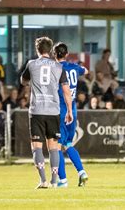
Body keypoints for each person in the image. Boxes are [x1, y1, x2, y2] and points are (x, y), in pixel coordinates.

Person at [21, 37, 73, 189]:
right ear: (50, 50)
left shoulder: (31, 64)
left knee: (37, 146)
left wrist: (30, 81)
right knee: (54, 146)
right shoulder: (58, 67)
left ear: (37, 50)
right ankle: (54, 181)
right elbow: (66, 91)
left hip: (37, 110)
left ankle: (43, 180)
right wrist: (69, 110)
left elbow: (23, 81)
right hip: (53, 110)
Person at [53, 42, 89, 188]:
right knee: (68, 144)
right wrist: (78, 67)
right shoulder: (74, 67)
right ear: (66, 54)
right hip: (72, 110)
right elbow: (85, 71)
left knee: (56, 146)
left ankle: (63, 180)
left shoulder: (55, 68)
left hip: (60, 110)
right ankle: (81, 172)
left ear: (54, 55)